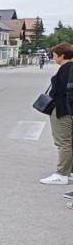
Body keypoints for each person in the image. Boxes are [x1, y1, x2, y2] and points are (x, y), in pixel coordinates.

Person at [41, 42, 73, 186]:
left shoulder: (64, 70)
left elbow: (57, 92)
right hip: (70, 109)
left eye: (55, 55)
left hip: (62, 110)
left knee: (63, 143)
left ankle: (61, 174)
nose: (54, 58)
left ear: (62, 55)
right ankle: (70, 172)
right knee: (70, 142)